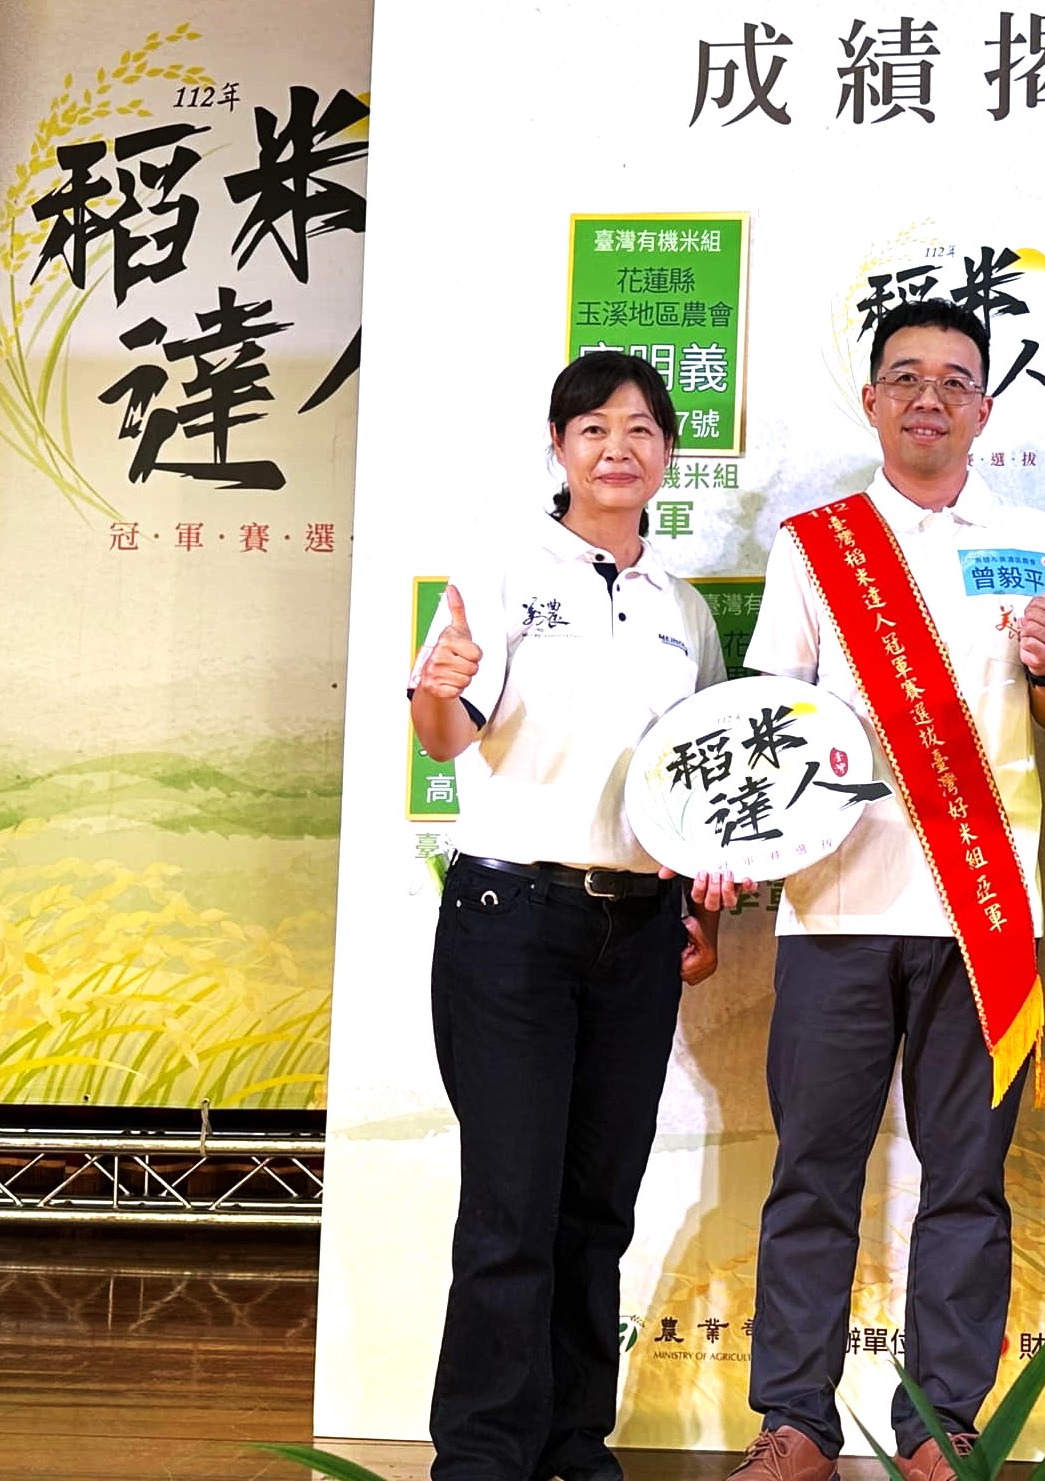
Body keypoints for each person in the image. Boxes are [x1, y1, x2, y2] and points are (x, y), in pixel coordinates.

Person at [732, 299, 1045, 1481]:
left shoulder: (1040, 544)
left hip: (984, 917)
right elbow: (770, 721)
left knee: (967, 1182)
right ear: (872, 399)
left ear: (985, 407)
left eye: (954, 379)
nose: (929, 397)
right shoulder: (813, 545)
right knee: (811, 1174)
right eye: (906, 376)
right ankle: (793, 1420)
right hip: (833, 906)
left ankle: (941, 1420)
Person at [410, 350, 735, 1481]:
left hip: (637, 928)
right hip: (511, 920)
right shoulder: (502, 573)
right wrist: (438, 686)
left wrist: (700, 899)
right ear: (558, 446)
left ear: (668, 453)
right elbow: (445, 737)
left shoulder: (684, 610)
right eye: (592, 427)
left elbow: (696, 783)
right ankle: (482, 1455)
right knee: (512, 1205)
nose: (616, 447)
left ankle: (572, 1441)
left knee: (598, 1206)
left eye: (640, 428)